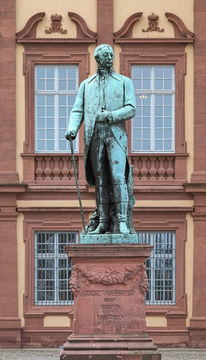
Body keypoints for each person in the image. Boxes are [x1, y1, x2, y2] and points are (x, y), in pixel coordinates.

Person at [65, 44, 136, 235]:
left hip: (116, 136)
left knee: (118, 177)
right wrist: (72, 128)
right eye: (106, 55)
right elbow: (77, 110)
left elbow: (131, 108)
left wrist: (111, 115)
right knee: (101, 181)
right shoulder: (86, 85)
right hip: (94, 136)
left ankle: (121, 221)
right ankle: (103, 222)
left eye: (111, 54)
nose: (110, 57)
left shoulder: (123, 82)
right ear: (97, 58)